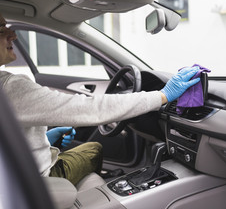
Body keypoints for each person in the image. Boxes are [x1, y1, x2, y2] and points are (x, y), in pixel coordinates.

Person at [0, 13, 200, 185]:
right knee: (94, 150)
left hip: (17, 171)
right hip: (35, 178)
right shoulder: (9, 87)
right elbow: (88, 109)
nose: (13, 35)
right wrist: (163, 96)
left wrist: (42, 141)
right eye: (2, 30)